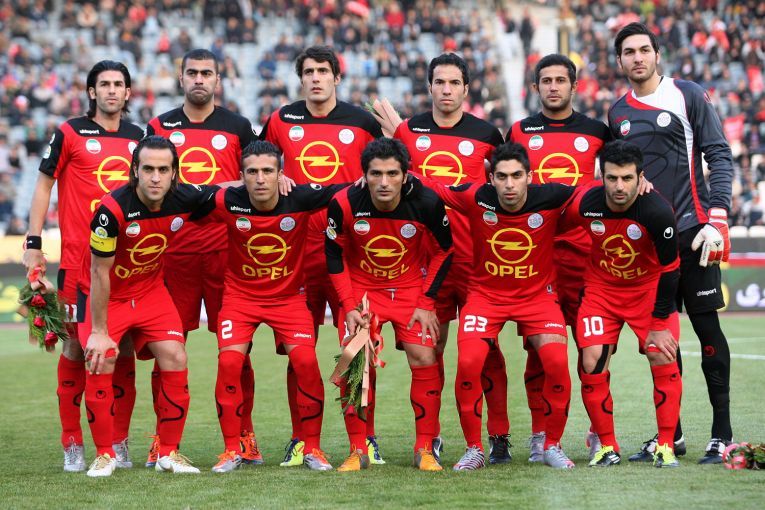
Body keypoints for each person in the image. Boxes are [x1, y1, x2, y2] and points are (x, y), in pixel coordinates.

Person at [608, 22, 734, 464]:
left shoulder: (687, 94)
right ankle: (672, 436)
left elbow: (719, 153)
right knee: (661, 340)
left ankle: (722, 435)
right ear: (619, 61)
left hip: (693, 234)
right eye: (629, 52)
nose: (637, 58)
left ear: (657, 55)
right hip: (647, 247)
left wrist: (717, 218)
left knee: (706, 329)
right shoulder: (617, 113)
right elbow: (619, 175)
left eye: (644, 50)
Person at [260, 45, 384, 466]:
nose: (316, 78)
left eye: (323, 71)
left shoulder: (362, 122)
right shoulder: (280, 120)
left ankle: (365, 438)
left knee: (359, 346)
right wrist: (277, 175)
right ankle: (301, 438)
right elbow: (259, 163)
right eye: (309, 72)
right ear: (301, 79)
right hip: (297, 253)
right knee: (300, 352)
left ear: (337, 77)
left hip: (351, 253)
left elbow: (388, 168)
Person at [419, 142, 576, 470]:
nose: (509, 184)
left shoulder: (552, 196)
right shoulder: (476, 196)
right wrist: (394, 175)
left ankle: (551, 445)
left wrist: (641, 184)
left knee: (557, 362)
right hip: (485, 297)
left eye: (516, 176)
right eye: (501, 177)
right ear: (491, 179)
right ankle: (474, 448)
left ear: (529, 177)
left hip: (537, 298)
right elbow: (432, 186)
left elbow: (596, 193)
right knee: (469, 362)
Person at [23, 60, 143, 472]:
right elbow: (44, 184)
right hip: (78, 266)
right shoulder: (70, 132)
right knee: (76, 347)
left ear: (128, 93)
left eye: (118, 84)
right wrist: (33, 243)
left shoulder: (140, 137)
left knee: (122, 350)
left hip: (126, 266)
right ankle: (72, 442)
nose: (111, 90)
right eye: (103, 84)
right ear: (92, 91)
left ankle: (119, 441)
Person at [201, 140, 345, 472]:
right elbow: (182, 196)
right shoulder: (227, 199)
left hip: (288, 298)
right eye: (252, 172)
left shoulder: (301, 198)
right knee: (229, 362)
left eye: (268, 171)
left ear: (282, 174)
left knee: (305, 362)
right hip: (240, 298)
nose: (260, 178)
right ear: (241, 176)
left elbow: (348, 190)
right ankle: (231, 450)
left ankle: (313, 448)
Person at [145, 48, 258, 467]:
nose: (199, 79)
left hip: (227, 253)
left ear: (218, 80)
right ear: (180, 78)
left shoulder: (238, 126)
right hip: (173, 254)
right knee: (167, 351)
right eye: (192, 72)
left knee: (237, 353)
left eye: (206, 73)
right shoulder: (159, 126)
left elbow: (256, 179)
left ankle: (244, 436)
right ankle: (162, 439)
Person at [393, 53, 508, 464]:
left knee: (486, 349)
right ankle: (432, 435)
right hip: (427, 261)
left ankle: (499, 435)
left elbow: (507, 188)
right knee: (431, 348)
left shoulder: (488, 134)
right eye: (439, 82)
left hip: (477, 261)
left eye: (454, 82)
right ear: (429, 86)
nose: (446, 89)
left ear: (466, 88)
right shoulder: (407, 131)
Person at [79, 135, 216, 477]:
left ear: (174, 174)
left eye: (163, 170)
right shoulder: (111, 211)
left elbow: (223, 190)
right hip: (108, 295)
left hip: (150, 291)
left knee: (176, 356)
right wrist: (99, 331)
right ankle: (105, 454)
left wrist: (267, 180)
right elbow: (99, 273)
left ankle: (168, 452)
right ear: (135, 171)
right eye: (149, 169)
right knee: (101, 358)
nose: (156, 177)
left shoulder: (183, 197)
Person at [507, 53, 612, 462]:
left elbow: (619, 176)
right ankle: (540, 435)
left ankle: (597, 431)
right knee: (539, 352)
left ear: (574, 86)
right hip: (538, 257)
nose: (553, 86)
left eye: (560, 80)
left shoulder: (597, 131)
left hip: (587, 256)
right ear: (536, 87)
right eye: (546, 80)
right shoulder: (519, 131)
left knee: (594, 348)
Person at [325, 138, 453, 472]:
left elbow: (445, 250)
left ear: (405, 175)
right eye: (376, 174)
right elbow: (334, 254)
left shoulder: (426, 201)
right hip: (364, 291)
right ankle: (358, 450)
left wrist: (426, 302)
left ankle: (425, 448)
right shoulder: (344, 202)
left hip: (411, 290)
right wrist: (349, 305)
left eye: (392, 174)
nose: (384, 182)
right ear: (364, 175)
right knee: (355, 361)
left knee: (425, 356)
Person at [563, 140, 682, 468]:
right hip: (601, 291)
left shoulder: (657, 212)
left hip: (647, 291)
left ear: (641, 177)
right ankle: (606, 446)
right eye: (612, 178)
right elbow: (552, 219)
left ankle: (666, 445)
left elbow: (671, 270)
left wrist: (659, 324)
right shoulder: (585, 203)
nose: (619, 186)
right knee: (591, 361)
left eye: (627, 178)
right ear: (601, 176)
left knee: (662, 355)